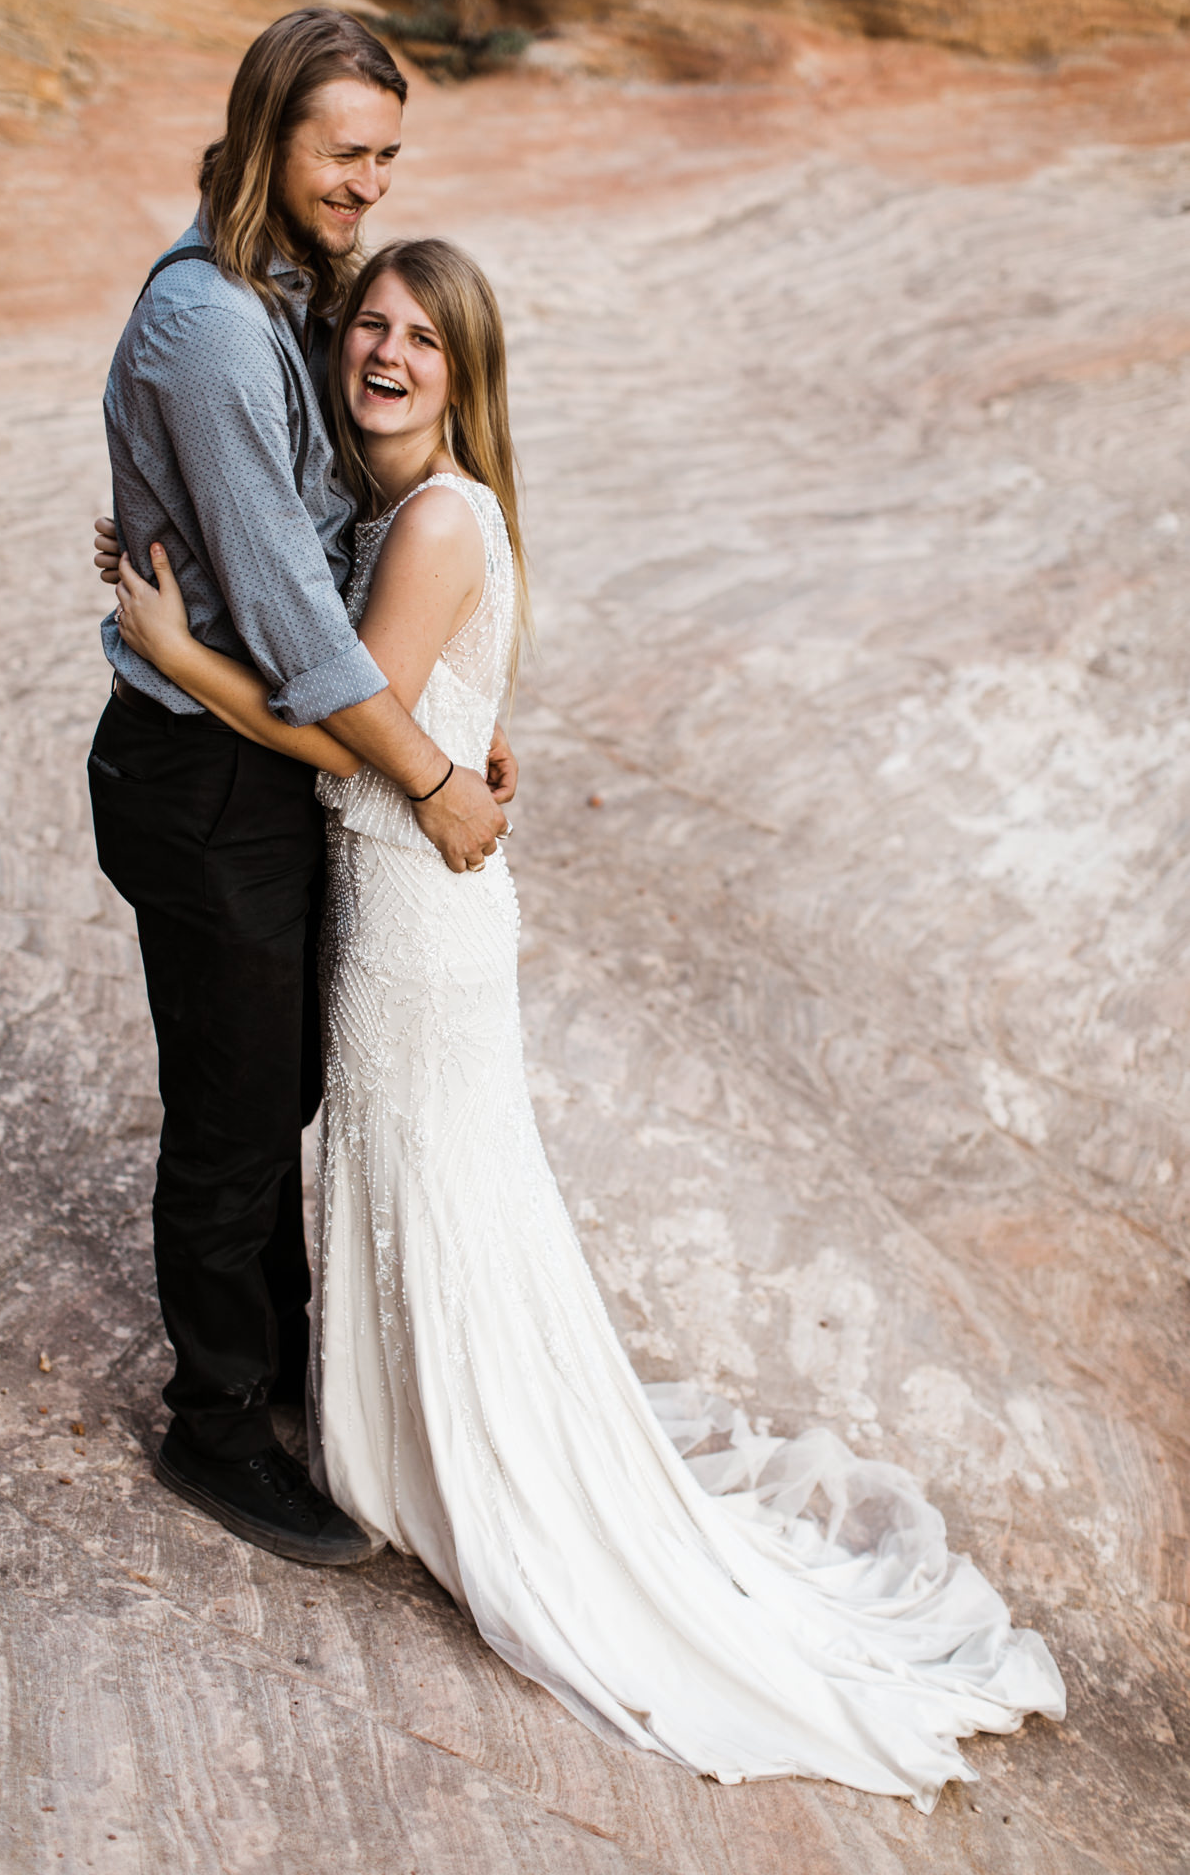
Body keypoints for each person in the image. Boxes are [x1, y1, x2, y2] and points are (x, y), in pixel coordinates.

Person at [102, 234, 1066, 1813]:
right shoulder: (401, 511)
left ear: (466, 372)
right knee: (430, 1176)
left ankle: (462, 1456)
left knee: (435, 1179)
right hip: (418, 891)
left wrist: (169, 650)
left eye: (419, 336)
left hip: (414, 910)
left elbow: (336, 732)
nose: (382, 352)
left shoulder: (434, 520)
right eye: (368, 327)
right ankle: (405, 1418)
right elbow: (407, 696)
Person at [88, 8, 516, 1570]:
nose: (366, 184)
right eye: (344, 152)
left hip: (261, 751)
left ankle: (274, 1364)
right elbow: (278, 606)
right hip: (202, 772)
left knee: (277, 1081)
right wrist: (435, 781)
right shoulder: (207, 325)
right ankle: (216, 1429)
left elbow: (333, 519)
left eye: (386, 157)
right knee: (233, 1110)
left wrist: (455, 711)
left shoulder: (282, 287)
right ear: (268, 129)